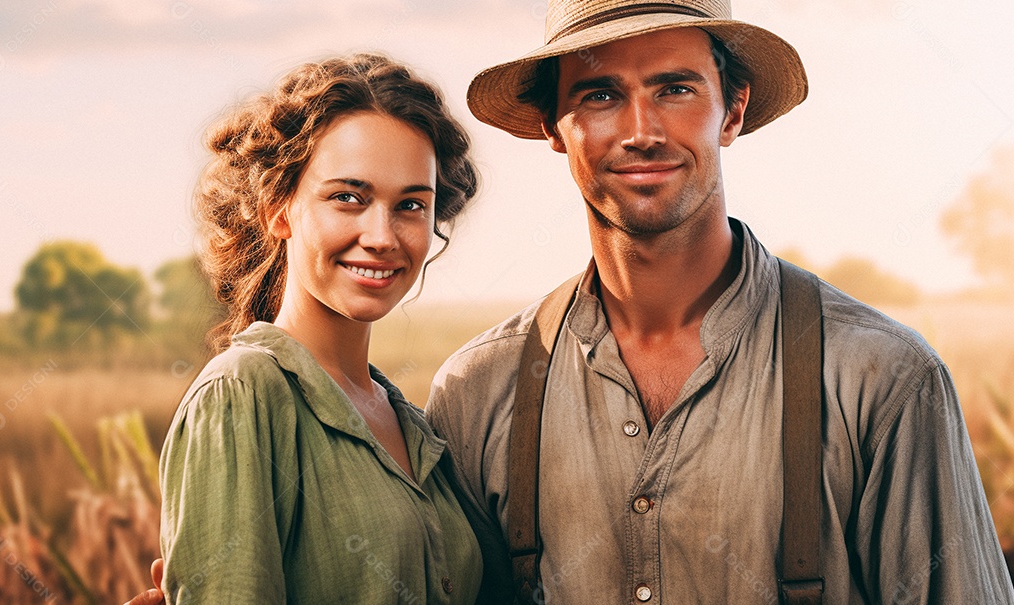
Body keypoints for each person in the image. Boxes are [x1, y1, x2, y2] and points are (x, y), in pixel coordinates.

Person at [424, 0, 1014, 603]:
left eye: (674, 89)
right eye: (600, 95)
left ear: (732, 111)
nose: (641, 132)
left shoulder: (882, 379)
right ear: (554, 125)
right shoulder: (478, 392)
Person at [143, 53, 482, 604]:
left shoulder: (413, 424)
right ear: (279, 208)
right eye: (348, 197)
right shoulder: (241, 395)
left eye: (411, 204)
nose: (382, 236)